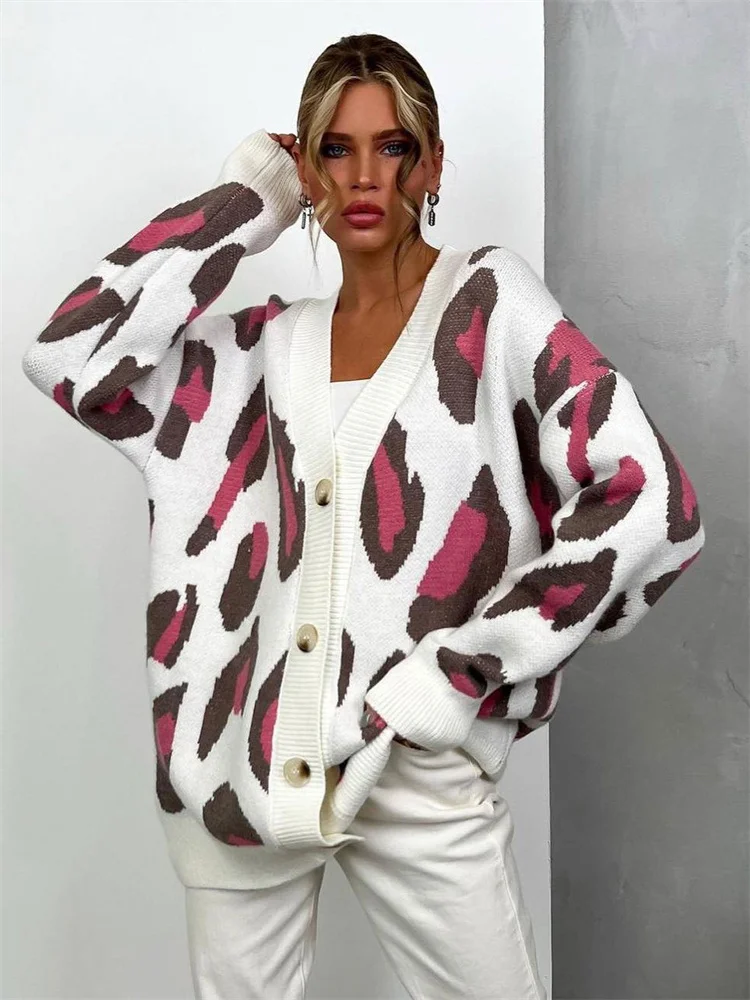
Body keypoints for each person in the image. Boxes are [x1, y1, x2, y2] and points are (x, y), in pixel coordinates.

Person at [21, 32, 705, 1000]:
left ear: (431, 164)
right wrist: (251, 199)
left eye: (393, 147)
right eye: (334, 151)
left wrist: (462, 675)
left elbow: (651, 499)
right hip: (239, 774)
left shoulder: (488, 304)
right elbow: (68, 355)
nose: (364, 177)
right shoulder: (252, 355)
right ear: (309, 171)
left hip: (412, 765)